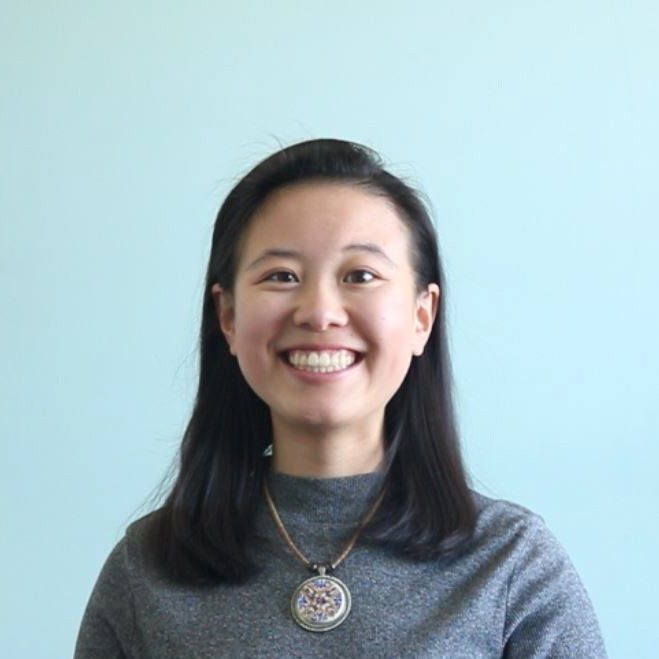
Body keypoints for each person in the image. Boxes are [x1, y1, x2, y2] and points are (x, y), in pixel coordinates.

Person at [74, 138, 607, 658]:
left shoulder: (512, 564)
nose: (320, 312)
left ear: (422, 316)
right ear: (228, 317)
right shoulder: (144, 570)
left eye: (360, 275)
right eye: (282, 276)